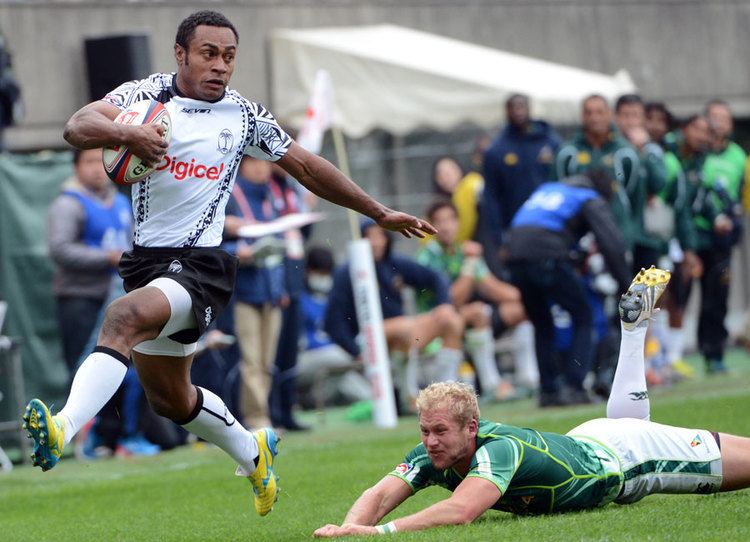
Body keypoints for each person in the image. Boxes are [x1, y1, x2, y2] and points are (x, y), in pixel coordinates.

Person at [22, 10, 434, 518]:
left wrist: (378, 211)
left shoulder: (244, 116)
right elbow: (76, 126)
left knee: (121, 319)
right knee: (170, 400)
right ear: (181, 54)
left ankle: (63, 427)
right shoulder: (146, 95)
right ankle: (252, 452)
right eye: (209, 54)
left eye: (229, 56)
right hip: (146, 264)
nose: (220, 66)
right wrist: (129, 136)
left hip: (202, 267)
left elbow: (305, 165)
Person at [313, 267, 750, 538]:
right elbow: (380, 492)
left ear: (472, 427)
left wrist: (381, 533)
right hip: (597, 439)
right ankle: (633, 334)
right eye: (425, 431)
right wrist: (350, 528)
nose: (429, 441)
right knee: (634, 425)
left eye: (439, 431)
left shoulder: (497, 450)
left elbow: (461, 511)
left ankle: (633, 335)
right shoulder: (436, 452)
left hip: (632, 459)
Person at [504, 173, 631, 407]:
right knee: (583, 316)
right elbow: (611, 243)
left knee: (542, 323)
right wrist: (628, 285)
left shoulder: (546, 189)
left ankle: (548, 390)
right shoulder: (588, 196)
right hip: (547, 255)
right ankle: (574, 386)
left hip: (515, 256)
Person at [324, 219, 463, 411]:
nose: (376, 242)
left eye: (380, 235)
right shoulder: (347, 271)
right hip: (367, 339)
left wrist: (444, 304)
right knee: (404, 328)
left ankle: (444, 396)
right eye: (370, 236)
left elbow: (436, 277)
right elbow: (333, 319)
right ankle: (410, 396)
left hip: (403, 333)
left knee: (451, 320)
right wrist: (354, 351)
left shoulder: (395, 263)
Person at [416, 199, 528, 401]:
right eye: (439, 221)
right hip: (435, 327)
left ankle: (530, 379)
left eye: (450, 220)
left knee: (523, 308)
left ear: (458, 223)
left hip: (466, 322)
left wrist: (533, 297)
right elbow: (452, 300)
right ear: (430, 226)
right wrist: (469, 265)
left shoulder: (463, 251)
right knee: (475, 312)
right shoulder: (427, 257)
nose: (446, 226)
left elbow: (495, 288)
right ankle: (488, 385)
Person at [48, 148, 131, 375]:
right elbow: (60, 249)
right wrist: (107, 257)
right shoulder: (68, 203)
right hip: (81, 298)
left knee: (116, 371)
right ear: (76, 167)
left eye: (101, 161)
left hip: (120, 299)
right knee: (82, 369)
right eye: (89, 162)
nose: (97, 168)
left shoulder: (122, 202)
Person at [222, 155, 287, 430]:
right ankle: (257, 418)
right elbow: (211, 247)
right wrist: (238, 252)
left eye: (266, 162)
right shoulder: (229, 194)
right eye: (255, 162)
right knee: (251, 360)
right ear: (243, 164)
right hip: (244, 292)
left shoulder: (271, 195)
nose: (263, 168)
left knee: (266, 361)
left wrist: (281, 287)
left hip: (271, 291)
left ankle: (265, 416)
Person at [554, 95, 640, 252]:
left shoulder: (625, 152)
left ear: (609, 114)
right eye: (589, 113)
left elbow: (632, 194)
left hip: (617, 229)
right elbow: (558, 192)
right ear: (582, 116)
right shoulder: (567, 152)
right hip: (579, 233)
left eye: (599, 112)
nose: (594, 118)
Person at [481, 94, 560, 251]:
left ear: (529, 108)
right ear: (506, 111)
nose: (518, 111)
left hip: (550, 225)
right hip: (515, 229)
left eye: (521, 106)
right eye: (513, 107)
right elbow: (491, 197)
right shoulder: (496, 151)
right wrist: (498, 239)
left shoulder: (550, 143)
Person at [296, 246, 371, 408]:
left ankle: (312, 400)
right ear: (307, 271)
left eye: (326, 274)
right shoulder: (299, 298)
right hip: (304, 358)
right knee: (342, 358)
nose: (323, 279)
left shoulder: (332, 297)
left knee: (348, 378)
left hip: (329, 361)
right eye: (320, 273)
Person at [613, 94, 667, 273]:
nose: (630, 121)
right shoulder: (609, 148)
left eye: (635, 115)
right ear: (616, 117)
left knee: (646, 296)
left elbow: (659, 183)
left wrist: (643, 148)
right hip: (617, 234)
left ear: (643, 119)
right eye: (625, 115)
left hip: (648, 236)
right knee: (622, 295)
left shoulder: (653, 149)